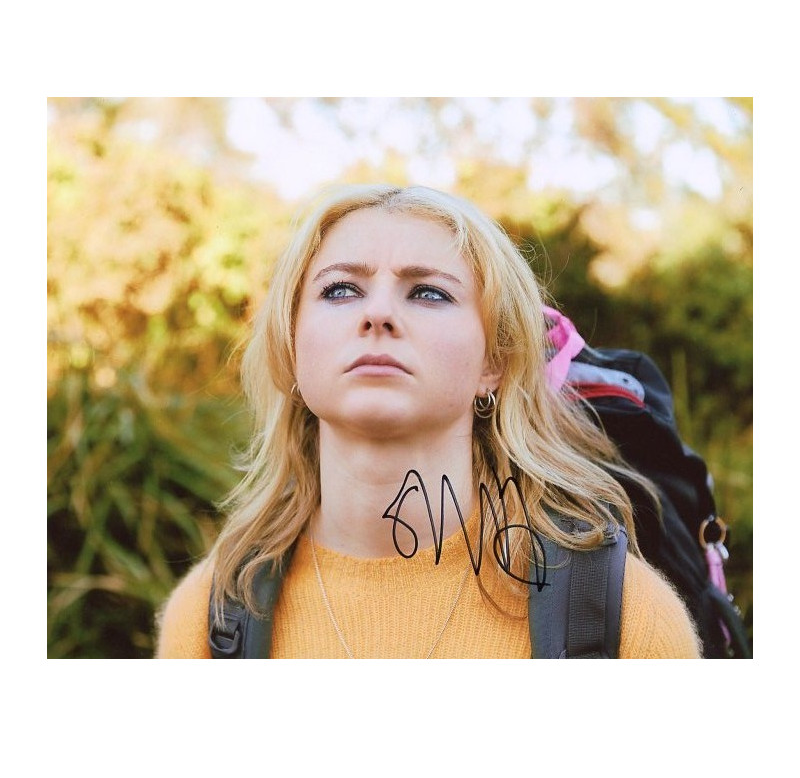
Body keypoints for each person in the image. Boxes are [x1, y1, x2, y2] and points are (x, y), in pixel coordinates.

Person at [155, 183, 701, 659]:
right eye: (340, 289)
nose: (378, 313)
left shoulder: (622, 615)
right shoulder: (212, 616)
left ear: (493, 363)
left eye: (429, 292)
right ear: (291, 347)